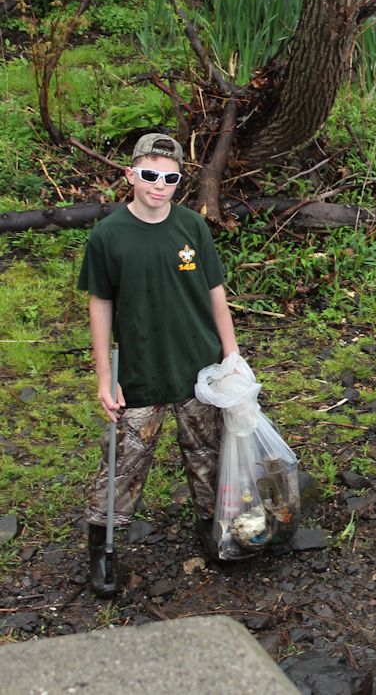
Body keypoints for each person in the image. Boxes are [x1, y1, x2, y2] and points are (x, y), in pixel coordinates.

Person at [78, 132, 240, 596]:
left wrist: (230, 354)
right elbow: (100, 304)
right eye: (149, 174)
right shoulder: (109, 235)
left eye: (170, 177)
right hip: (139, 372)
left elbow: (215, 292)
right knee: (124, 461)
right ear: (131, 175)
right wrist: (105, 377)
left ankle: (213, 528)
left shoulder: (192, 227)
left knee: (207, 453)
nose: (159, 184)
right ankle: (104, 548)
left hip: (198, 369)